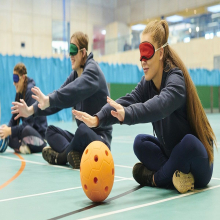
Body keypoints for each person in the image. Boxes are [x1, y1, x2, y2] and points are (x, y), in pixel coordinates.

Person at [72, 20, 217, 193]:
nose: (142, 60)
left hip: (197, 162)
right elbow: (128, 100)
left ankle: (156, 179)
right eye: (140, 53)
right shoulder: (146, 83)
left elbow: (160, 105)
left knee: (189, 143)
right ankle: (178, 177)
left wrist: (128, 114)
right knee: (140, 142)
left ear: (161, 53)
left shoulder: (176, 79)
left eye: (147, 52)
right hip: (172, 158)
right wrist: (98, 118)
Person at [11, 32, 112, 168]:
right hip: (81, 139)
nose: (70, 55)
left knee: (82, 129)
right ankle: (73, 154)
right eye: (69, 51)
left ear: (83, 52)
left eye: (73, 50)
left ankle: (62, 157)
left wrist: (49, 100)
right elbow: (58, 99)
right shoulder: (75, 74)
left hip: (100, 142)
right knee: (50, 131)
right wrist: (31, 111)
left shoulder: (93, 71)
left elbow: (73, 91)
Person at [0, 63, 47, 154]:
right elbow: (14, 119)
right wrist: (5, 130)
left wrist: (10, 131)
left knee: (24, 130)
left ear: (23, 78)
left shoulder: (30, 92)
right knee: (5, 130)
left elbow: (28, 124)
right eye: (13, 79)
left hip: (39, 137)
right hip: (27, 135)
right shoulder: (19, 93)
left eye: (16, 79)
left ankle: (23, 146)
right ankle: (22, 147)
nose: (14, 83)